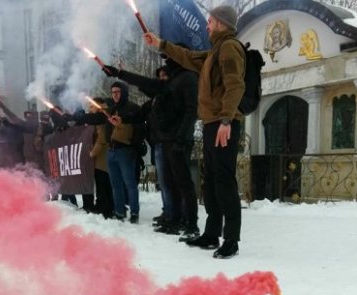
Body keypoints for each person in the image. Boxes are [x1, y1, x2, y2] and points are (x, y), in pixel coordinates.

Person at [143, 4, 245, 259]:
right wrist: (161, 44)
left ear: (221, 23)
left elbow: (235, 85)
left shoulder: (230, 46)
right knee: (210, 181)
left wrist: (226, 121)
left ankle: (231, 239)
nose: (207, 25)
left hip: (224, 124)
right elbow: (187, 57)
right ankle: (211, 233)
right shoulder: (214, 51)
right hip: (213, 123)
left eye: (210, 21)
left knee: (224, 182)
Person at [103, 50, 199, 241]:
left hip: (178, 141)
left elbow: (191, 111)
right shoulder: (167, 87)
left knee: (183, 184)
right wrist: (120, 75)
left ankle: (191, 223)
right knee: (169, 183)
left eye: (169, 56)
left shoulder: (186, 79)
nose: (165, 61)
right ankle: (174, 218)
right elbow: (146, 90)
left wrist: (181, 139)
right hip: (165, 141)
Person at [72, 82, 144, 223]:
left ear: (124, 92)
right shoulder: (110, 110)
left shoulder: (133, 108)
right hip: (112, 150)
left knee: (129, 183)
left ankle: (134, 212)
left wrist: (135, 146)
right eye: (113, 92)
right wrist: (78, 117)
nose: (115, 94)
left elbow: (140, 127)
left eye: (118, 91)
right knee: (115, 184)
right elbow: (96, 118)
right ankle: (119, 212)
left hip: (126, 150)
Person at [79, 97, 114, 218]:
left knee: (103, 182)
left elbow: (102, 138)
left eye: (92, 106)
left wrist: (92, 153)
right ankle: (102, 206)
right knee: (101, 183)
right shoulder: (96, 119)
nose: (90, 108)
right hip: (99, 157)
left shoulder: (101, 119)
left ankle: (105, 208)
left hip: (102, 157)